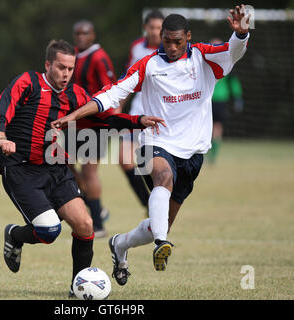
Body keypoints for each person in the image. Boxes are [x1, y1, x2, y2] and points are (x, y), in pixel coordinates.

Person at [51, 5, 250, 286]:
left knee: (161, 222)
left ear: (188, 37)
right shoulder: (148, 64)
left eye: (177, 41)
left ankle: (121, 244)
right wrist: (74, 115)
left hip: (193, 152)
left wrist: (240, 34)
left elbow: (232, 52)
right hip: (153, 142)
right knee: (162, 178)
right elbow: (111, 93)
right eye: (166, 40)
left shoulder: (204, 58)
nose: (170, 46)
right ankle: (161, 243)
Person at [0, 39, 165, 296]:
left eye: (70, 69)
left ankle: (77, 289)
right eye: (61, 67)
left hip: (55, 165)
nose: (66, 74)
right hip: (20, 168)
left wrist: (137, 120)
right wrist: (2, 138)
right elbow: (1, 109)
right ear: (48, 65)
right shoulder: (28, 82)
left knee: (85, 224)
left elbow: (102, 119)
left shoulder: (75, 95)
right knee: (49, 231)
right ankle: (15, 236)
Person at [68, 19, 117, 238]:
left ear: (93, 35)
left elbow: (113, 88)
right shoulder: (74, 56)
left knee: (89, 170)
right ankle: (96, 205)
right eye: (77, 33)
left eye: (84, 33)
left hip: (95, 124)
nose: (80, 36)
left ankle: (97, 224)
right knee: (64, 164)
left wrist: (115, 116)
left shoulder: (99, 57)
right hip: (73, 122)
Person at [117, 10, 165, 215]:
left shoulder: (172, 50)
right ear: (145, 28)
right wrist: (119, 105)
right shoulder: (137, 48)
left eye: (159, 28)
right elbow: (129, 78)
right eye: (152, 27)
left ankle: (160, 207)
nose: (155, 32)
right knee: (124, 159)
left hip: (161, 115)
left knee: (154, 165)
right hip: (137, 112)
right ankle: (148, 204)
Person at [206, 38, 244, 164]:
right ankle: (205, 153)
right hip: (206, 100)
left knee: (216, 127)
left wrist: (238, 97)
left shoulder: (228, 63)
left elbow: (234, 82)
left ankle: (213, 156)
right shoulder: (205, 62)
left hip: (220, 100)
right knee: (207, 127)